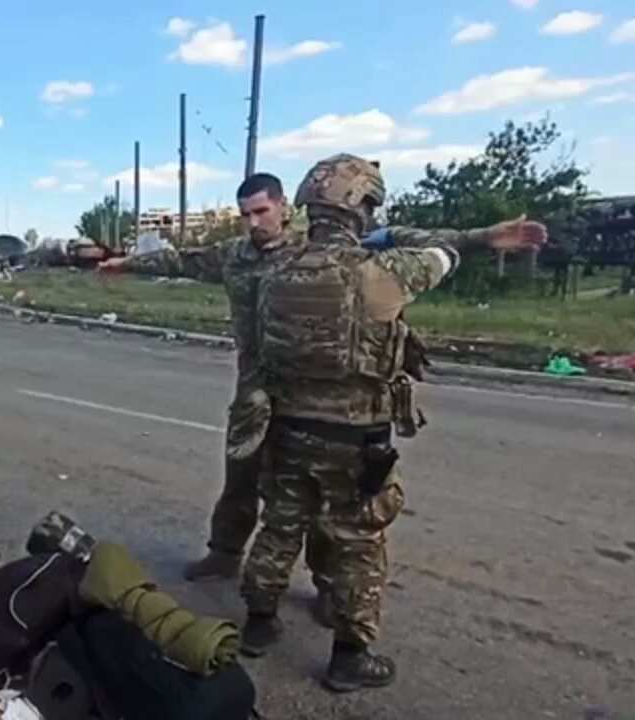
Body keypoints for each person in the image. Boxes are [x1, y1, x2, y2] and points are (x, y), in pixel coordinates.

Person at [238, 154, 547, 692]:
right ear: (361, 206)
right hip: (354, 438)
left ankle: (259, 624)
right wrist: (477, 236)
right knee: (359, 543)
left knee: (280, 526)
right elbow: (440, 252)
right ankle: (350, 656)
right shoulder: (384, 271)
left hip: (287, 427)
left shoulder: (274, 270)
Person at [185, 173, 335, 619]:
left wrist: (481, 239)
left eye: (261, 211)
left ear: (283, 207)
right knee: (241, 475)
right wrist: (120, 262)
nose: (253, 222)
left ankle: (329, 585)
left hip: (307, 394)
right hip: (253, 389)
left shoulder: (316, 253)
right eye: (245, 214)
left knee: (315, 491)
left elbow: (388, 247)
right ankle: (224, 553)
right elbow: (182, 260)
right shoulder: (235, 255)